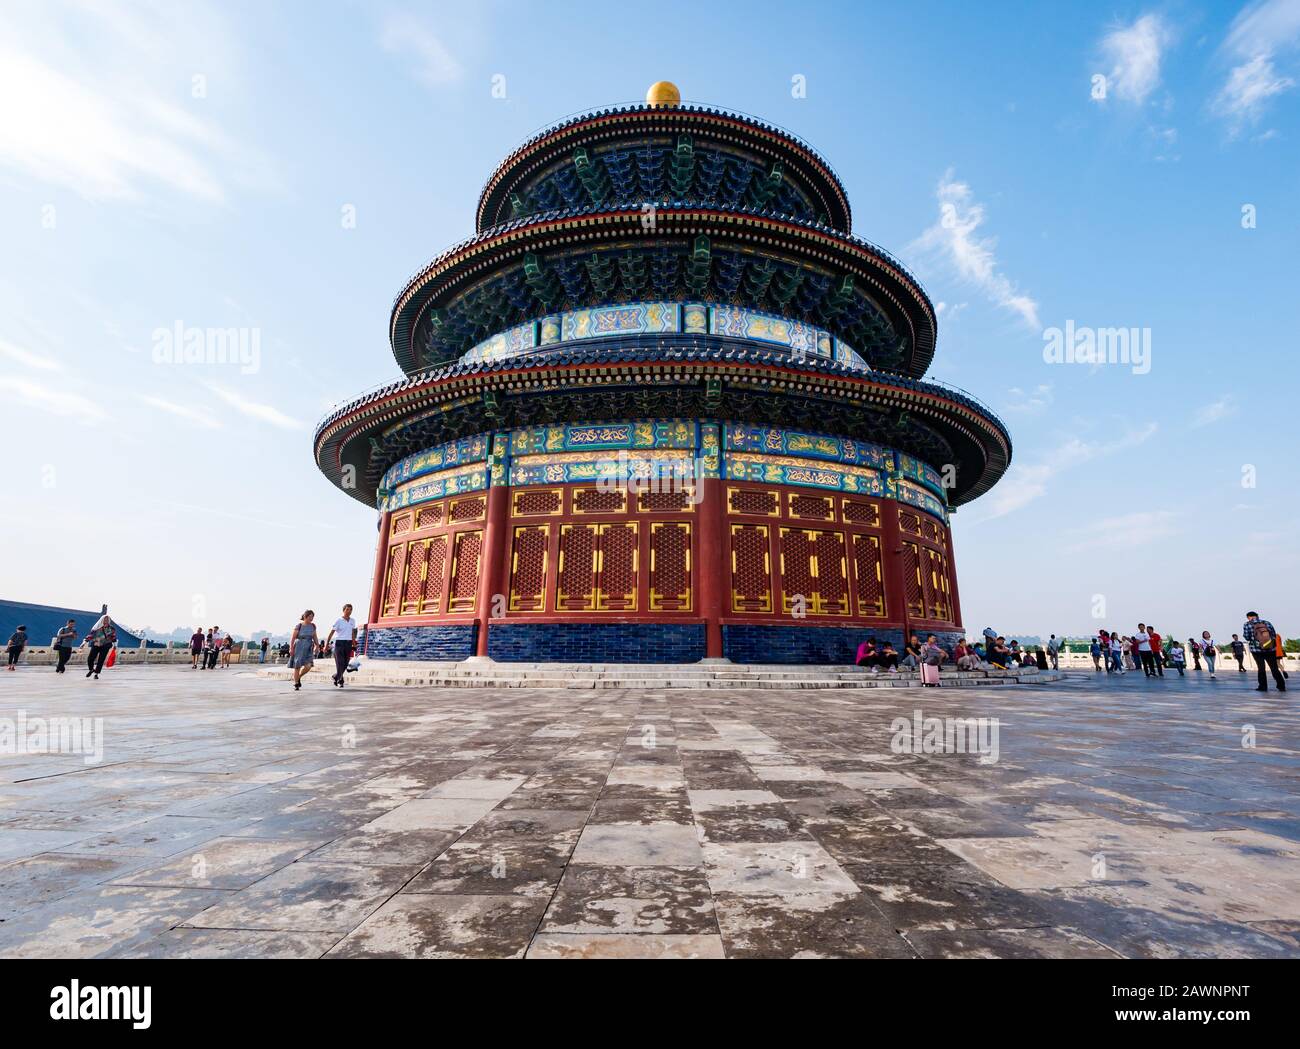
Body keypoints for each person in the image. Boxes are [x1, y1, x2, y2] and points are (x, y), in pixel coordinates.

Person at [1243, 611, 1286, 692]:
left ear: (1248, 617)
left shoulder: (1247, 624)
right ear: (1257, 616)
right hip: (1270, 649)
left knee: (1261, 668)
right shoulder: (1267, 623)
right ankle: (1281, 686)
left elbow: (1247, 637)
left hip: (1257, 650)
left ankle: (1263, 686)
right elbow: (1273, 634)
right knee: (1274, 668)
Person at [324, 604, 359, 688]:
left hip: (348, 644)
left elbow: (353, 633)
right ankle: (340, 680)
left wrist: (354, 644)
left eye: (350, 610)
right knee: (340, 663)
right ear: (343, 610)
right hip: (339, 644)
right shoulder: (338, 620)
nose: (349, 611)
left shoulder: (352, 621)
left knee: (346, 664)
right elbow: (331, 633)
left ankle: (335, 676)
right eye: (347, 609)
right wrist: (326, 644)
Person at [289, 610, 318, 691]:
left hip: (309, 647)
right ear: (305, 617)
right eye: (310, 617)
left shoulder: (313, 626)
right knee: (297, 666)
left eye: (312, 617)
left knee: (308, 666)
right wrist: (291, 648)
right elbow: (293, 638)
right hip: (299, 646)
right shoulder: (299, 626)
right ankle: (296, 683)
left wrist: (317, 646)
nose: (311, 618)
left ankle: (298, 677)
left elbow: (315, 636)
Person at [81, 615, 116, 679]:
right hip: (96, 644)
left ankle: (96, 674)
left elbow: (113, 637)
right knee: (90, 658)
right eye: (105, 619)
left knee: (101, 660)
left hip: (106, 645)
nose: (106, 620)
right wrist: (84, 643)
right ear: (102, 620)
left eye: (107, 619)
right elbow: (90, 635)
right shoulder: (97, 627)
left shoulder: (111, 628)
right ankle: (91, 669)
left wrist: (115, 645)